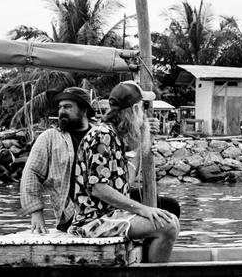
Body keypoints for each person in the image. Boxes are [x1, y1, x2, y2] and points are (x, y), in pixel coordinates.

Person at [68, 80, 179, 263]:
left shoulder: (114, 136)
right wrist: (143, 209)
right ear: (135, 109)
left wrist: (141, 148)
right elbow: (99, 188)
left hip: (113, 216)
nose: (144, 115)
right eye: (142, 109)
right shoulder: (101, 136)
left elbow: (124, 183)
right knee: (167, 226)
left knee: (170, 219)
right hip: (93, 222)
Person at [20, 87, 95, 233]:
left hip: (103, 212)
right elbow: (31, 173)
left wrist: (149, 128)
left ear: (84, 110)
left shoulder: (100, 135)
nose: (61, 111)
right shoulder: (50, 138)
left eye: (67, 107)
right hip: (71, 218)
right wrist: (36, 212)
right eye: (60, 107)